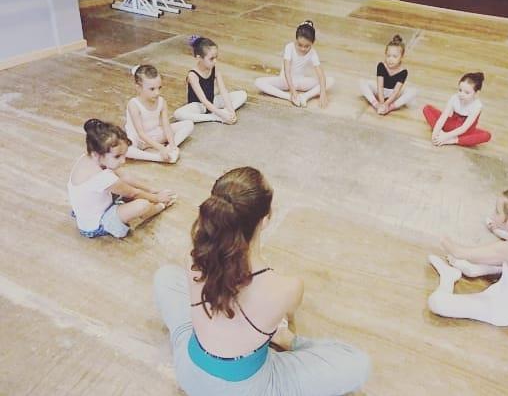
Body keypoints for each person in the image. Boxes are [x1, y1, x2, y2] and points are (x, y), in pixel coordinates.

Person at [154, 167, 370, 395]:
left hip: (189, 372)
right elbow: (274, 308)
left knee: (166, 276)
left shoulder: (194, 258)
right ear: (265, 219)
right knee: (357, 363)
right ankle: (286, 339)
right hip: (247, 390)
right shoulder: (288, 287)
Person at [428, 188, 508, 326]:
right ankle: (472, 270)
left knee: (436, 303)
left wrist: (443, 238)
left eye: (497, 212)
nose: (492, 215)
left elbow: (460, 253)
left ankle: (449, 276)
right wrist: (496, 228)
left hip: (500, 311)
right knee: (490, 263)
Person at [68, 119, 175, 238]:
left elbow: (124, 176)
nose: (123, 161)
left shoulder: (89, 157)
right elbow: (133, 193)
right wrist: (157, 199)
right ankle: (160, 207)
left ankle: (144, 203)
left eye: (124, 154)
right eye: (117, 156)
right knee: (143, 205)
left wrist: (151, 189)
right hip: (96, 224)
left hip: (92, 208)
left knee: (127, 187)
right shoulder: (101, 177)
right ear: (96, 154)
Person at [254, 20, 334, 108]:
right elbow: (287, 71)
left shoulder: (312, 53)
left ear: (313, 42)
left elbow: (321, 75)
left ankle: (305, 97)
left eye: (307, 46)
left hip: (300, 82)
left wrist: (323, 93)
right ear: (296, 39)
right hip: (285, 80)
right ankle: (289, 97)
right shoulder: (289, 47)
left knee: (330, 81)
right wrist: (292, 91)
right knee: (258, 82)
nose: (303, 49)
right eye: (300, 45)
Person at [125, 64, 193, 163]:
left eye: (159, 88)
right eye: (152, 89)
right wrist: (161, 148)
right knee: (126, 149)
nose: (157, 93)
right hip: (139, 140)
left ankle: (169, 150)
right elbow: (140, 133)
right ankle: (157, 157)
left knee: (188, 124)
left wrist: (172, 145)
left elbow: (166, 126)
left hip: (155, 135)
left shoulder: (162, 101)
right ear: (138, 88)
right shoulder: (134, 104)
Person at [173, 36, 247, 124]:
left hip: (212, 101)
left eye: (216, 57)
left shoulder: (214, 69)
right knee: (178, 114)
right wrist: (221, 116)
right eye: (211, 59)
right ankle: (214, 117)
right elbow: (203, 100)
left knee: (242, 94)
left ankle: (224, 112)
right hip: (199, 106)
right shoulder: (192, 75)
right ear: (199, 58)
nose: (215, 61)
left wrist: (231, 111)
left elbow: (223, 91)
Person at [422, 72, 492, 147]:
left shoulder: (477, 106)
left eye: (467, 93)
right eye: (460, 90)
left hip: (465, 132)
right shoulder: (454, 98)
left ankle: (453, 140)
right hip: (450, 125)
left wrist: (445, 136)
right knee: (427, 108)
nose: (462, 94)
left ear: (476, 93)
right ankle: (442, 133)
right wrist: (435, 134)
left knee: (486, 135)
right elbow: (443, 117)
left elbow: (464, 128)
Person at [358, 34, 417, 115]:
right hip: (381, 91)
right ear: (385, 55)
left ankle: (391, 107)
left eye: (395, 57)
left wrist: (386, 104)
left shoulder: (403, 72)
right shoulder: (381, 66)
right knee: (362, 82)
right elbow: (380, 86)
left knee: (413, 91)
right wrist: (381, 103)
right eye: (388, 56)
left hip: (394, 94)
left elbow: (396, 91)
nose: (391, 59)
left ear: (401, 57)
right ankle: (375, 104)